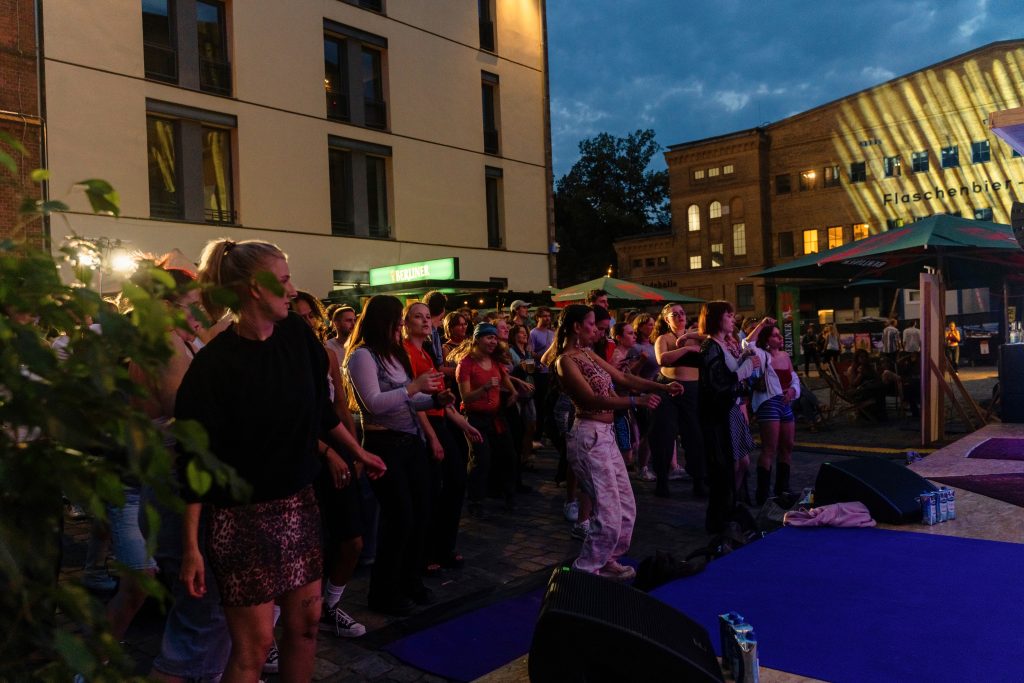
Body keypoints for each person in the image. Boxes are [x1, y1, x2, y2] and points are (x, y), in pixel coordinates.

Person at [176, 239, 386, 681]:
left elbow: (319, 411)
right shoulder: (215, 365)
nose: (294, 291)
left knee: (305, 627)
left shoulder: (295, 335)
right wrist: (191, 547)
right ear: (255, 287)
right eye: (285, 280)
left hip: (299, 504)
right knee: (255, 648)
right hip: (240, 520)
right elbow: (194, 462)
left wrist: (356, 449)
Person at [544, 305, 681, 580]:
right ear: (576, 327)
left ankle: (608, 559)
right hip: (588, 436)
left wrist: (661, 387)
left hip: (605, 436)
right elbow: (590, 400)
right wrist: (635, 400)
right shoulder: (565, 361)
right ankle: (584, 573)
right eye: (592, 324)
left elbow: (622, 377)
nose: (597, 330)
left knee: (626, 507)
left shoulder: (588, 354)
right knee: (607, 511)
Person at [344, 295, 451, 616]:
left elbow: (405, 402)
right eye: (398, 321)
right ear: (384, 322)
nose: (402, 327)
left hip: (410, 443)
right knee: (399, 518)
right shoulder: (362, 356)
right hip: (384, 444)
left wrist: (434, 402)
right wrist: (414, 388)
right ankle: (383, 592)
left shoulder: (393, 354)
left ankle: (410, 581)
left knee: (419, 515)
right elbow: (374, 403)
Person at [291, 291, 365, 641]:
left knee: (352, 539)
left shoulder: (324, 355)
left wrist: (354, 451)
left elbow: (338, 408)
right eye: (297, 316)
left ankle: (330, 607)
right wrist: (328, 453)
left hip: (335, 445)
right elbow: (290, 423)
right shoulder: (278, 357)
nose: (306, 322)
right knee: (304, 547)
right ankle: (278, 628)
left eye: (310, 316)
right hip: (301, 452)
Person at [401, 302, 482, 572]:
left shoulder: (425, 353)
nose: (425, 321)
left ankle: (443, 546)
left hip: (441, 422)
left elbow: (441, 400)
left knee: (456, 483)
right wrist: (432, 438)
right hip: (426, 426)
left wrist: (463, 424)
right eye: (418, 317)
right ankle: (429, 552)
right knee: (434, 490)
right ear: (405, 322)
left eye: (427, 317)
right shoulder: (405, 353)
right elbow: (413, 400)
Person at [696, 300, 761, 534]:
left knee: (734, 464)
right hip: (718, 416)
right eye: (728, 315)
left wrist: (744, 360)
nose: (732, 319)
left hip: (728, 411)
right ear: (716, 318)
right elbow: (719, 384)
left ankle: (727, 511)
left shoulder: (721, 345)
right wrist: (746, 366)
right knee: (722, 467)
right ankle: (719, 518)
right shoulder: (710, 347)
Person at [453, 323, 525, 516]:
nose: (493, 341)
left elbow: (503, 376)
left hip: (496, 416)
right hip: (475, 418)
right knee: (481, 460)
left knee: (508, 455)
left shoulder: (494, 360)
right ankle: (475, 501)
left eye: (494, 338)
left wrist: (512, 391)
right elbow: (466, 398)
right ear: (477, 340)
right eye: (489, 337)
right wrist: (484, 388)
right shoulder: (466, 364)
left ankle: (508, 495)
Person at [650, 304, 705, 498]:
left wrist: (689, 340)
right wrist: (687, 349)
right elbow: (662, 359)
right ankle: (662, 480)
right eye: (675, 314)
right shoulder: (663, 338)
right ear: (666, 319)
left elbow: (712, 339)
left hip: (693, 390)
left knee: (695, 436)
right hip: (668, 390)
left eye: (682, 313)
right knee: (664, 436)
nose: (680, 316)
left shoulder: (694, 335)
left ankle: (699, 480)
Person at [751, 324, 801, 504]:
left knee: (787, 445)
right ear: (766, 339)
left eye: (780, 335)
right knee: (769, 448)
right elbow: (748, 343)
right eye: (775, 335)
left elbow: (794, 376)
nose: (779, 338)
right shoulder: (762, 355)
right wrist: (762, 323)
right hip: (769, 401)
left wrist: (793, 390)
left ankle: (782, 487)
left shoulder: (785, 356)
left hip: (785, 401)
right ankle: (762, 493)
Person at [528, 306, 555, 424]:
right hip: (540, 373)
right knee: (541, 403)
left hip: (552, 373)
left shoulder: (552, 333)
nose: (547, 318)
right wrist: (544, 358)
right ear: (537, 317)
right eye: (544, 316)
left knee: (551, 403)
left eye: (549, 316)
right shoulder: (533, 333)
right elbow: (530, 353)